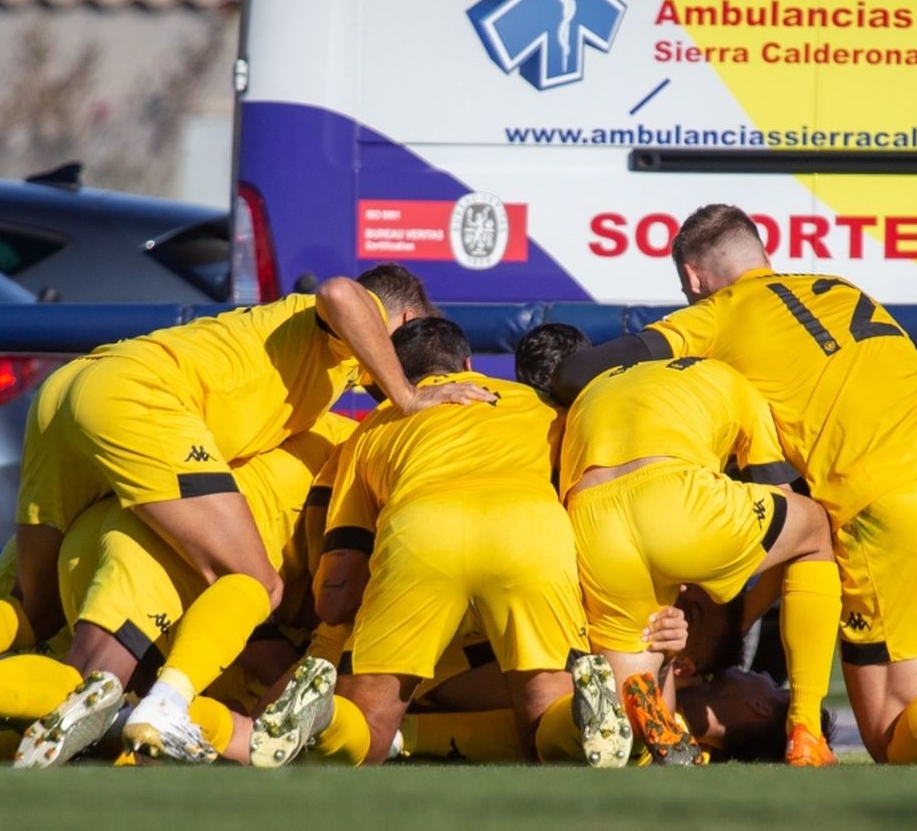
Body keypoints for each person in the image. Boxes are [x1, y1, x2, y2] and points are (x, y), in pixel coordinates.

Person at [0, 264, 491, 758]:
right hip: (139, 401)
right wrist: (408, 398)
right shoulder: (341, 331)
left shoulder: (314, 376)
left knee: (35, 614)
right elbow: (342, 293)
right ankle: (168, 705)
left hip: (72, 390)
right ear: (403, 319)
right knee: (252, 582)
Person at [552, 203, 917, 767]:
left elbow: (577, 373)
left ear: (694, 280)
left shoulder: (713, 316)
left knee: (892, 737)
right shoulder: (840, 287)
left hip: (888, 504)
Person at [246, 317, 630, 769]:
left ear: (394, 377)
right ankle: (579, 719)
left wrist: (341, 633)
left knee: (366, 731)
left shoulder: (369, 431)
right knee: (545, 724)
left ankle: (326, 719)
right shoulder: (539, 405)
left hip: (421, 532)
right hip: (530, 531)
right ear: (468, 364)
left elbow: (339, 589)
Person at [558, 353, 842, 766]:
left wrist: (677, 655)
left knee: (620, 714)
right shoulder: (747, 392)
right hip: (665, 499)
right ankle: (805, 727)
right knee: (814, 527)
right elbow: (786, 509)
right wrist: (741, 617)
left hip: (593, 514)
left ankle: (646, 729)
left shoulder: (616, 376)